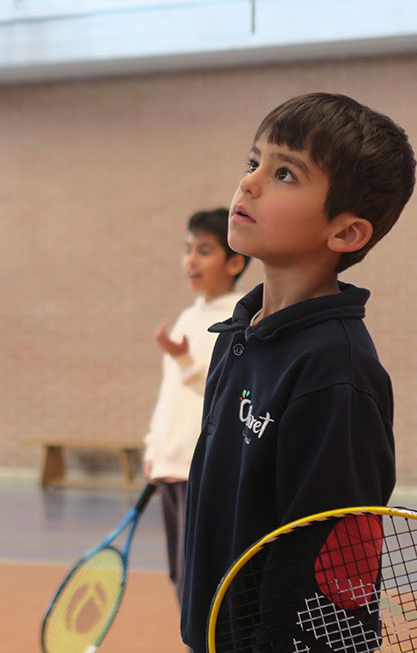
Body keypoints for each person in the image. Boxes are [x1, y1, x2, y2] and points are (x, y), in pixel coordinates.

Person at [180, 92, 415, 652]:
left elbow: (335, 556)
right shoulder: (239, 334)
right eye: (253, 162)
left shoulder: (337, 373)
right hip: (215, 634)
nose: (250, 183)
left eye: (284, 173)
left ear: (346, 233)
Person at [143, 208, 250, 606]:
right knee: (180, 577)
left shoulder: (238, 317)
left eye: (204, 251)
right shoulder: (189, 316)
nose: (190, 260)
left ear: (234, 261)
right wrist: (154, 448)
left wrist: (183, 358)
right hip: (171, 466)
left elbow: (221, 390)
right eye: (188, 249)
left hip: (201, 468)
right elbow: (169, 393)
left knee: (201, 582)